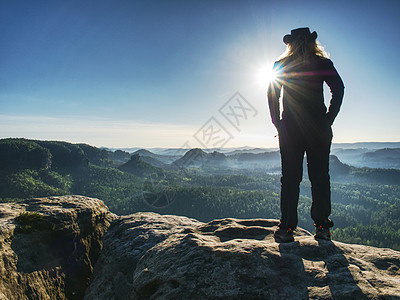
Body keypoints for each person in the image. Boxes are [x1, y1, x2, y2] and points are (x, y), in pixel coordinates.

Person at [267, 27, 344, 242]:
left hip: (291, 129)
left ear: (290, 44)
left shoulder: (281, 65)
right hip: (318, 128)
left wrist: (278, 123)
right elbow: (339, 89)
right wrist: (328, 118)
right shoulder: (321, 63)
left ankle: (286, 229)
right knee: (320, 177)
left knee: (290, 178)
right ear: (311, 42)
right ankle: (322, 227)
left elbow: (272, 94)